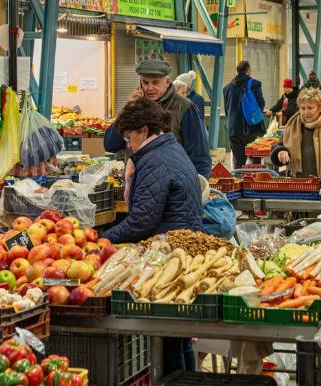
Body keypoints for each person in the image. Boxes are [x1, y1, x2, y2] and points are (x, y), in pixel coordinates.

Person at [101, 98, 201, 375]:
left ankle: (175, 380)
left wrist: (102, 240)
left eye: (129, 137)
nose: (128, 144)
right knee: (178, 339)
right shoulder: (170, 148)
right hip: (181, 250)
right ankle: (186, 379)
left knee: (168, 340)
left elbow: (142, 220)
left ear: (143, 131)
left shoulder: (155, 159)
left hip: (169, 255)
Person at [104, 60, 211, 178]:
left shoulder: (185, 109)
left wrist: (198, 188)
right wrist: (128, 108)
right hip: (137, 184)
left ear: (167, 82)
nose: (150, 88)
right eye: (145, 82)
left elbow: (200, 158)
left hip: (172, 186)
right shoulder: (135, 106)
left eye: (155, 83)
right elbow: (110, 145)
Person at [270, 88, 321, 177]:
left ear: (320, 108)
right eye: (302, 108)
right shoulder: (292, 127)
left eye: (310, 108)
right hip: (298, 183)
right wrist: (280, 151)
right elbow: (279, 145)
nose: (306, 112)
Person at [224, 61, 266, 169]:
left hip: (234, 131)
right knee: (255, 163)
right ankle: (253, 184)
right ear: (248, 70)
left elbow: (227, 110)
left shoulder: (227, 88)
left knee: (238, 163)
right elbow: (260, 104)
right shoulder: (255, 84)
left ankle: (239, 183)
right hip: (253, 129)